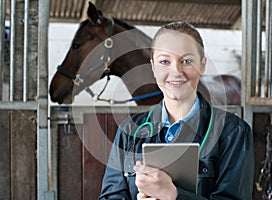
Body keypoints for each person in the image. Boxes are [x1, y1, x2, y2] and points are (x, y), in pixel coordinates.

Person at [99, 21, 254, 200]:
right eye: (164, 61)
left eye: (186, 61)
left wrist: (173, 195)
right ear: (153, 68)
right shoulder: (128, 132)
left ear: (202, 65)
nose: (176, 71)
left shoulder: (234, 132)